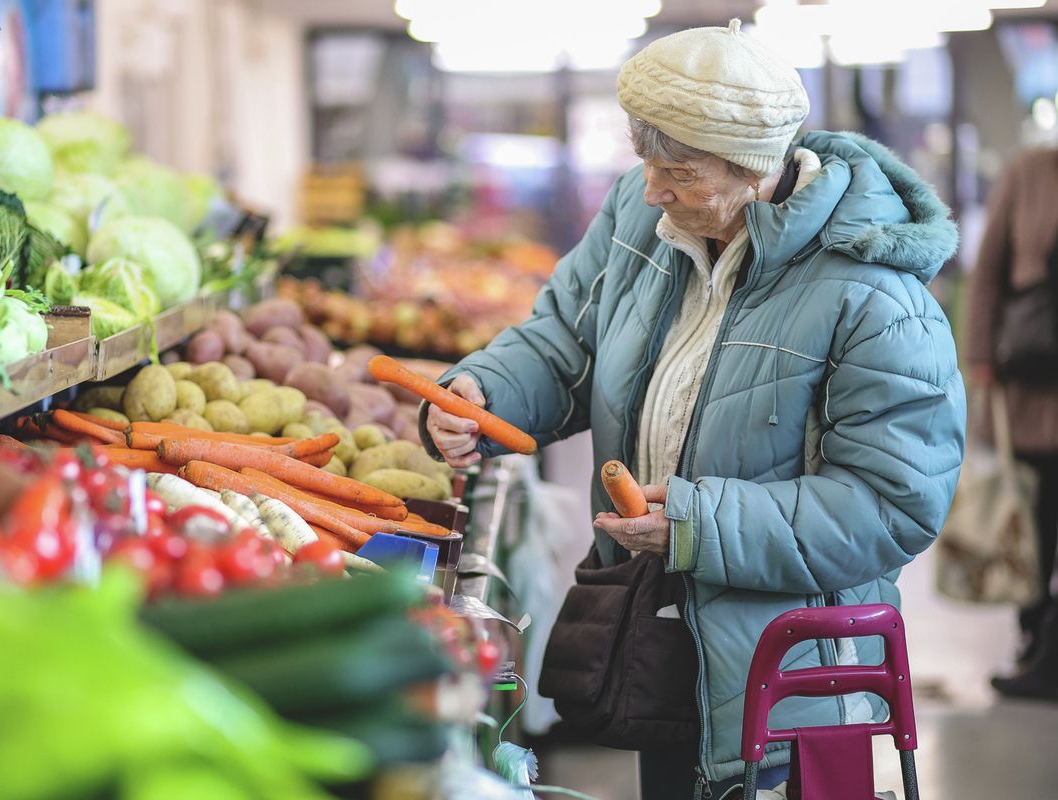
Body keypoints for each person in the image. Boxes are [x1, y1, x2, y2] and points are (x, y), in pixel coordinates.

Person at [422, 19, 966, 800]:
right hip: (659, 634)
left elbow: (890, 505)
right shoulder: (643, 219)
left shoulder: (874, 295)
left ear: (756, 169)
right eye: (645, 161)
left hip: (787, 667)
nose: (652, 189)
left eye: (678, 169)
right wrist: (484, 393)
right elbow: (562, 344)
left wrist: (694, 524)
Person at [966, 148, 1058, 702]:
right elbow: (988, 272)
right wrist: (979, 355)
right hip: (1031, 388)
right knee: (1033, 527)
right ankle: (1034, 642)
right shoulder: (1029, 172)